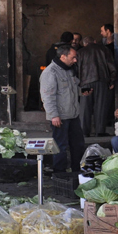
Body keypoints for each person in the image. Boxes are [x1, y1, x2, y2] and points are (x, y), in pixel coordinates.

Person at [39, 45, 90, 173]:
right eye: (73, 57)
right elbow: (47, 96)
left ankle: (77, 170)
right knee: (60, 146)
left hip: (73, 115)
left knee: (78, 145)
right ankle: (59, 174)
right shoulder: (50, 73)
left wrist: (81, 91)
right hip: (60, 117)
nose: (75, 60)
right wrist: (54, 115)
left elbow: (69, 90)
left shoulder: (68, 70)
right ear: (63, 57)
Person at [76, 37, 117, 137]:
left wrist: (77, 83)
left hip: (85, 82)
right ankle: (100, 131)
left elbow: (76, 68)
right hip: (102, 82)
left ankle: (84, 132)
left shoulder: (80, 52)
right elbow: (112, 67)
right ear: (94, 41)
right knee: (101, 107)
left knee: (85, 108)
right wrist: (112, 80)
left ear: (85, 43)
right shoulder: (104, 50)